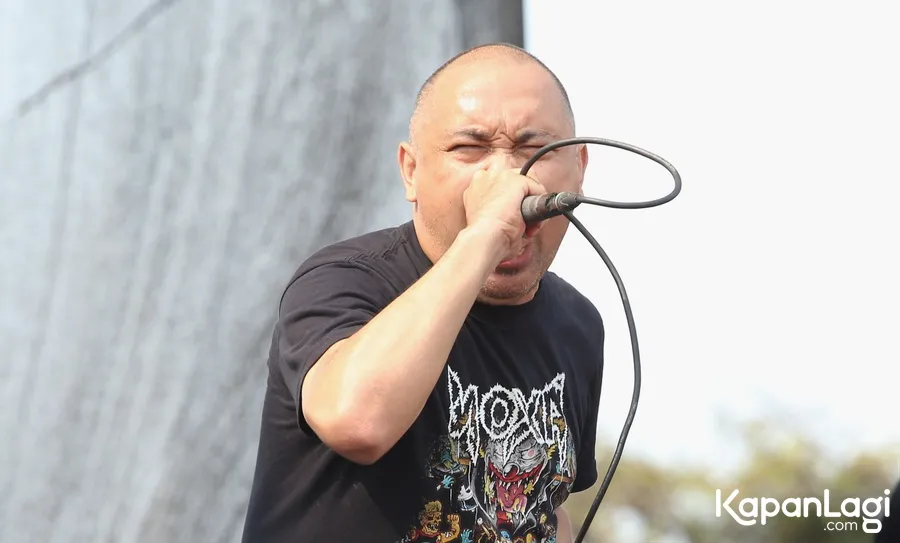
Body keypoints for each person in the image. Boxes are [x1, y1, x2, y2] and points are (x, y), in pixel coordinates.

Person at [241, 42, 604, 543]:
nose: (506, 179)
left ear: (579, 170)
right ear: (411, 171)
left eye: (533, 149)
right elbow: (356, 421)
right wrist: (485, 234)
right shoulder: (345, 280)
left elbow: (546, 508)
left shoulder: (577, 325)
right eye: (470, 148)